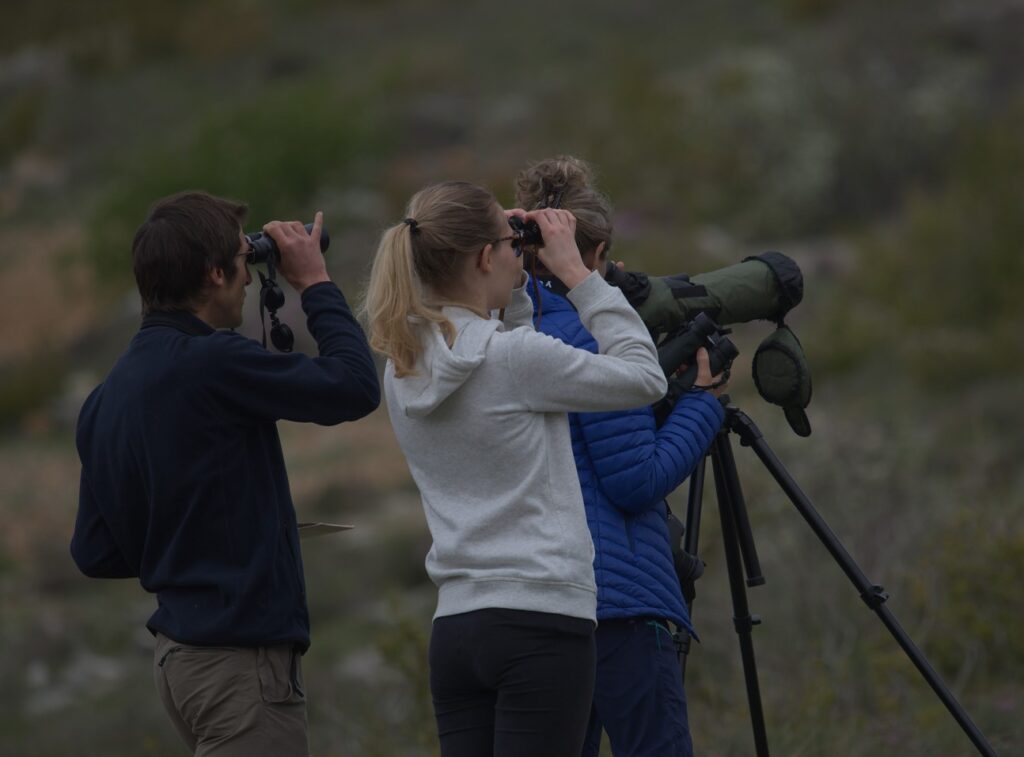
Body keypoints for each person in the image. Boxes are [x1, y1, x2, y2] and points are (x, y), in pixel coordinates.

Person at [362, 181, 669, 757]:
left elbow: (496, 349)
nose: (516, 254)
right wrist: (580, 275)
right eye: (509, 245)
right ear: (484, 257)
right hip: (542, 619)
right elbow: (642, 378)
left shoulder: (403, 367)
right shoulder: (515, 360)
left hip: (457, 625)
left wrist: (513, 285)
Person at [70, 191, 380, 756]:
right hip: (240, 661)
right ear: (215, 274)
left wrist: (195, 541)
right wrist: (314, 283)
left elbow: (95, 552)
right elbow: (354, 387)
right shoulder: (213, 361)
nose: (248, 276)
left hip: (180, 662)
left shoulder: (105, 397)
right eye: (244, 260)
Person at [515, 156, 727, 757]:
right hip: (618, 607)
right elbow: (634, 479)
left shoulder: (503, 328)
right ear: (600, 247)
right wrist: (703, 403)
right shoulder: (596, 336)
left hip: (536, 606)